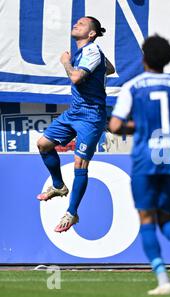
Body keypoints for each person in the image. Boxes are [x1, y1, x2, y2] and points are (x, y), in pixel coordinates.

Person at [109, 35, 170, 295]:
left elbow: (116, 125)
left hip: (146, 156)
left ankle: (163, 280)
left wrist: (139, 126)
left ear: (144, 59)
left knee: (147, 218)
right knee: (166, 218)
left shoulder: (133, 86)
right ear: (168, 59)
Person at [37, 16, 115, 233]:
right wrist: (99, 66)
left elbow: (76, 78)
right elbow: (110, 68)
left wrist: (65, 62)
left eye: (81, 24)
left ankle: (71, 213)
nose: (76, 24)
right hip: (75, 112)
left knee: (80, 164)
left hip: (91, 116)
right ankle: (59, 185)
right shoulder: (89, 52)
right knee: (43, 144)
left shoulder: (90, 50)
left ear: (91, 34)